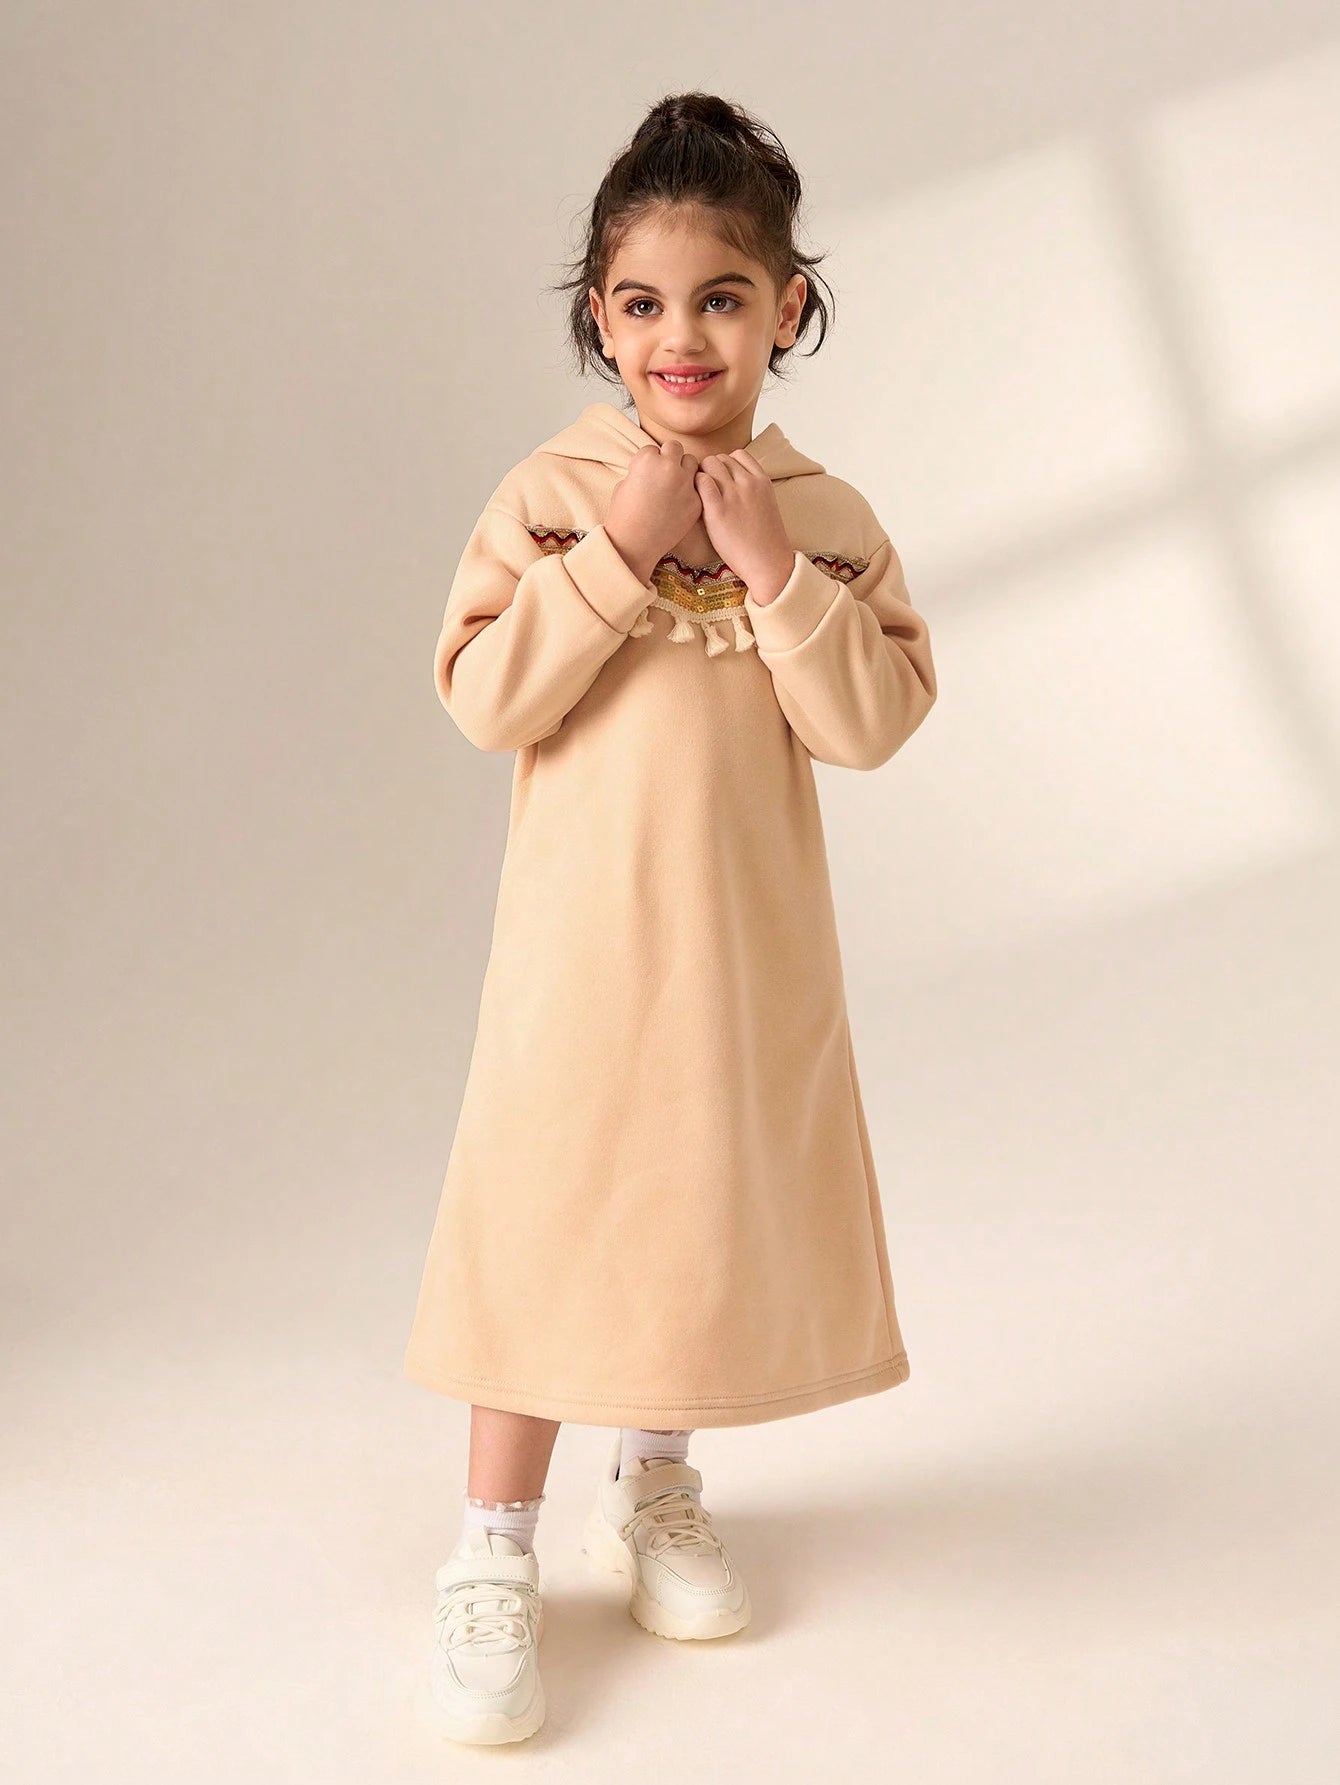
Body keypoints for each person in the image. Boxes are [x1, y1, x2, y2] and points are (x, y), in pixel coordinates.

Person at [404, 89, 938, 1746]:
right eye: (642, 302)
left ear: (786, 307)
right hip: (578, 957)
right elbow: (486, 696)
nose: (680, 336)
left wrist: (771, 572)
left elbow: (873, 723)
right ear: (599, 317)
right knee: (549, 1210)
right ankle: (493, 1546)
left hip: (742, 955)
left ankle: (655, 1483)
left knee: (695, 1207)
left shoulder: (824, 517)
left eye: (720, 297)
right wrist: (620, 552)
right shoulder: (553, 493)